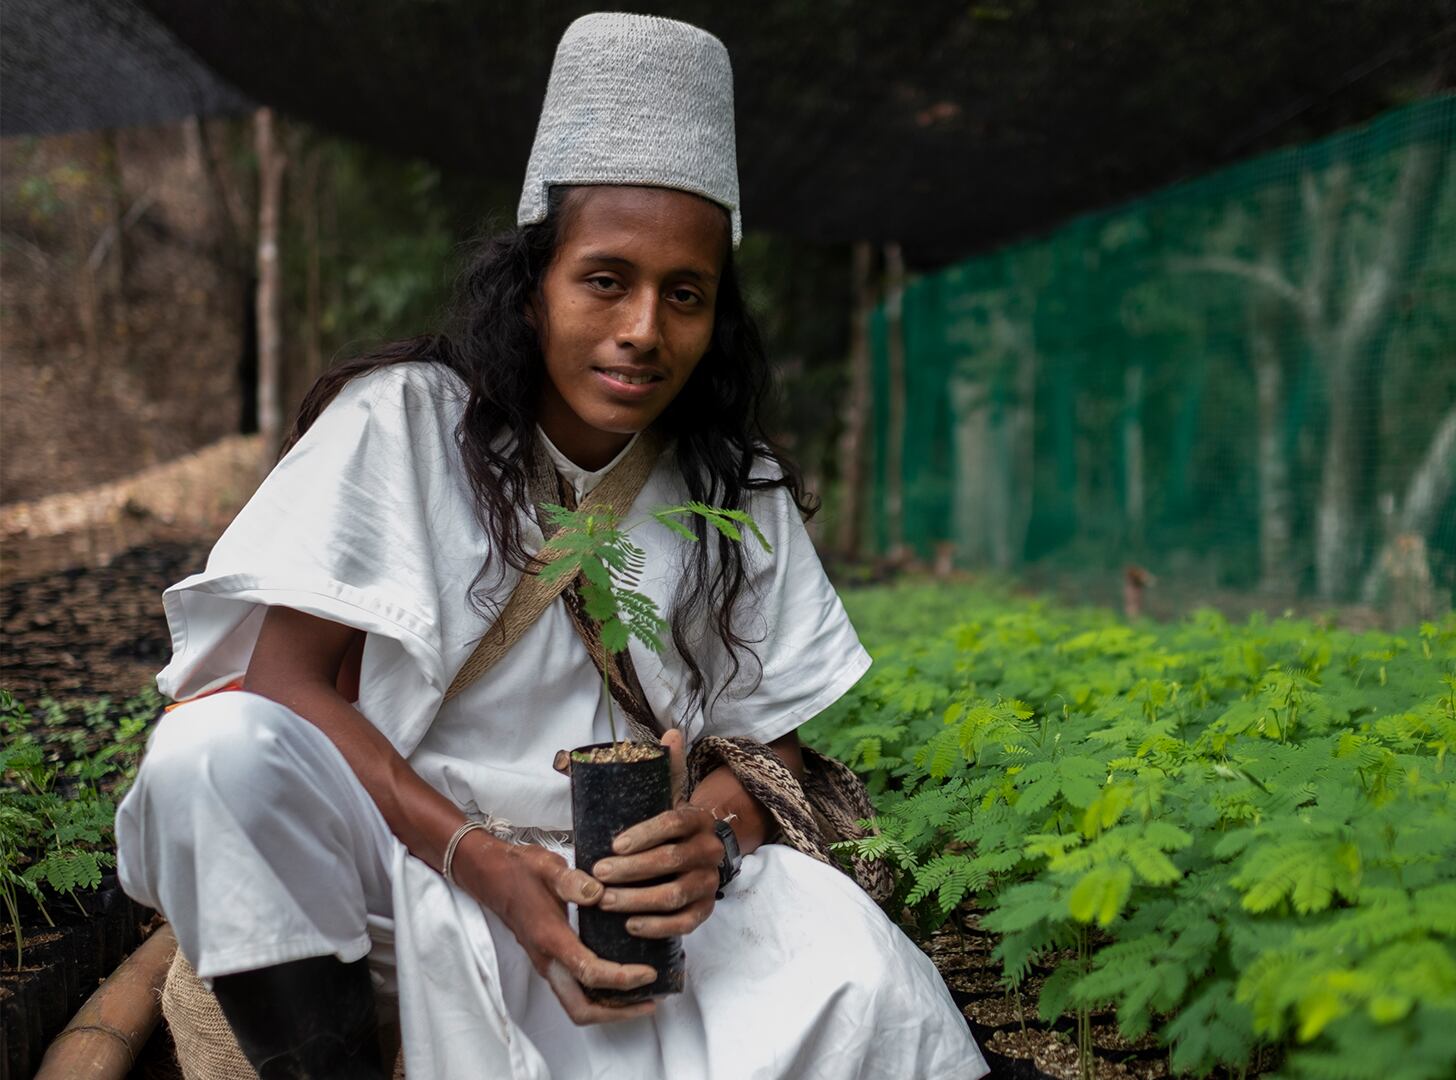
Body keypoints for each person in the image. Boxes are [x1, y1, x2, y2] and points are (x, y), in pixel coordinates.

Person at [113, 13, 989, 1080]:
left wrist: (704, 847)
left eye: (686, 294)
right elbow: (286, 684)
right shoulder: (402, 424)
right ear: (533, 285)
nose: (642, 331)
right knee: (213, 756)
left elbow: (774, 753)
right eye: (606, 279)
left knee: (856, 972)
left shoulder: (734, 483)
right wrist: (475, 857)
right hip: (400, 868)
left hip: (614, 903)